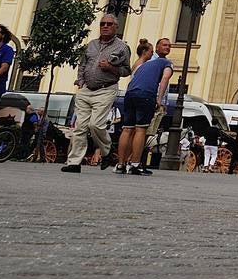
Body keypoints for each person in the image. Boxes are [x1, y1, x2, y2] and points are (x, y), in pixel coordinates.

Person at [58, 15, 132, 173]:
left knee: (95, 125)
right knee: (80, 128)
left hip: (106, 89)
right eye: (102, 24)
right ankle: (74, 162)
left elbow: (126, 71)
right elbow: (83, 64)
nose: (105, 26)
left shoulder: (122, 47)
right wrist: (80, 80)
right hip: (86, 90)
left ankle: (106, 151)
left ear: (116, 27)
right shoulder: (91, 45)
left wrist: (110, 68)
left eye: (109, 24)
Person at [118, 37, 173, 176]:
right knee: (141, 130)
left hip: (130, 93)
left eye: (169, 46)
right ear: (157, 47)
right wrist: (159, 100)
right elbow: (165, 79)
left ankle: (120, 164)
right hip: (146, 94)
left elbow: (134, 71)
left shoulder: (144, 62)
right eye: (164, 45)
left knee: (127, 130)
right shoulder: (166, 63)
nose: (167, 47)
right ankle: (135, 164)